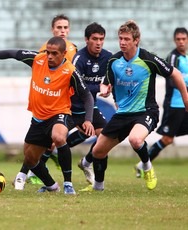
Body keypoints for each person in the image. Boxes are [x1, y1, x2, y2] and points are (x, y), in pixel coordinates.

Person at [0, 36, 95, 194]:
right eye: (48, 52)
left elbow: (87, 96)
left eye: (54, 53)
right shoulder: (37, 59)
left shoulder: (70, 71)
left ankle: (68, 184)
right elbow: (12, 53)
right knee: (30, 158)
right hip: (38, 118)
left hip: (59, 114)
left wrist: (88, 120)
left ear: (63, 54)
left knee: (59, 137)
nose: (49, 56)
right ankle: (51, 186)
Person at [90, 20, 188, 192]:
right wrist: (104, 89)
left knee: (136, 140)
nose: (122, 42)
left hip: (145, 111)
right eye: (120, 38)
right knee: (97, 152)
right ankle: (98, 187)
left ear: (136, 40)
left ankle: (147, 167)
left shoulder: (148, 59)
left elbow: (176, 74)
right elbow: (106, 83)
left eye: (127, 39)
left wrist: (186, 98)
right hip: (122, 114)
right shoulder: (114, 61)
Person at [14, 14, 78, 189]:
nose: (62, 31)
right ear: (53, 30)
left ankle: (67, 181)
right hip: (45, 107)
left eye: (65, 27)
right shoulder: (44, 50)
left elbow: (77, 80)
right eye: (59, 27)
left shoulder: (74, 49)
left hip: (66, 104)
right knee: (32, 151)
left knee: (58, 136)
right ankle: (35, 176)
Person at [134, 27, 188, 178]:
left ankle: (142, 165)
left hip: (185, 104)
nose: (181, 42)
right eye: (178, 39)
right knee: (167, 139)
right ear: (174, 40)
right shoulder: (173, 57)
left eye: (184, 39)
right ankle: (143, 165)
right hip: (175, 105)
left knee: (168, 139)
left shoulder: (186, 57)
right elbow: (171, 79)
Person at [70, 22, 112, 189]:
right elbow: (77, 87)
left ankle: (97, 182)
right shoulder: (79, 59)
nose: (98, 43)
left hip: (89, 107)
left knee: (105, 139)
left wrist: (109, 88)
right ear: (86, 39)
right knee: (52, 142)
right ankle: (27, 173)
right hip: (71, 107)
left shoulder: (108, 57)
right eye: (95, 39)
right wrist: (99, 88)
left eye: (101, 39)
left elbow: (111, 79)